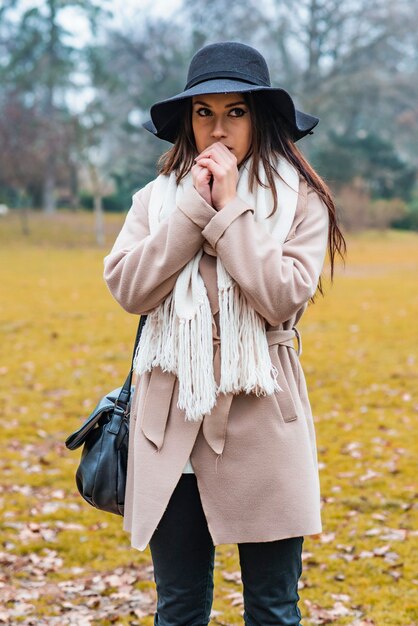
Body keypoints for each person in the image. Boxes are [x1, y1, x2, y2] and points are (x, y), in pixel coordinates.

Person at [103, 41, 346, 626]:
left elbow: (282, 296)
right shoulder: (156, 201)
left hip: (262, 417)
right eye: (203, 112)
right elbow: (130, 288)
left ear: (258, 117)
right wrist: (191, 209)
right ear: (187, 120)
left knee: (273, 607)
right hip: (172, 427)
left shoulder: (299, 203)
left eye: (235, 111)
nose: (218, 129)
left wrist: (230, 208)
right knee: (180, 607)